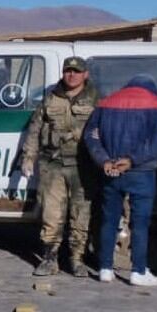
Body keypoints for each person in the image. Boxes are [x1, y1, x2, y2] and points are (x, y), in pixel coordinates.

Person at [83, 74, 157, 286]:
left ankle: (105, 268)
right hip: (141, 171)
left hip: (110, 170)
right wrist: (132, 160)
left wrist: (103, 159)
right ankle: (138, 270)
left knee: (109, 219)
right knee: (140, 223)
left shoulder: (106, 102)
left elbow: (91, 135)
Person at [20, 56, 100, 277]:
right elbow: (35, 129)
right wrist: (29, 157)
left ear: (85, 74)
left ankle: (77, 259)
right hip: (52, 164)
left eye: (76, 71)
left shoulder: (96, 99)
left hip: (83, 166)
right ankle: (49, 258)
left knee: (80, 215)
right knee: (51, 214)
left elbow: (105, 130)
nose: (71, 75)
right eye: (68, 71)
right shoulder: (50, 98)